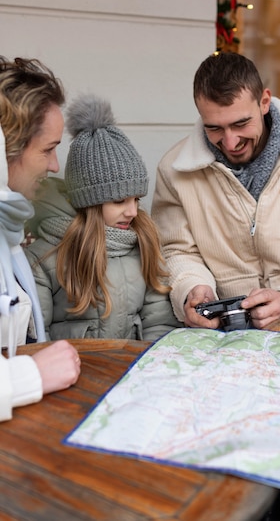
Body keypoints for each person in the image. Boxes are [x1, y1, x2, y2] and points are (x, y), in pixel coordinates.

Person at [151, 52, 280, 520]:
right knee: (239, 474)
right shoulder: (174, 170)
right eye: (213, 128)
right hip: (224, 343)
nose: (228, 141)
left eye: (240, 123)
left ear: (265, 100)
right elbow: (175, 252)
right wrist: (191, 289)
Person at [25, 95, 182, 342]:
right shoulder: (45, 259)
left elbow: (158, 322)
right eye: (119, 201)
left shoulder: (142, 245)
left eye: (136, 200)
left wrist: (153, 365)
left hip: (133, 372)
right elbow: (36, 335)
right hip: (71, 374)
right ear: (89, 202)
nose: (132, 211)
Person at [0, 56, 80, 423]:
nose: (54, 166)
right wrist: (29, 377)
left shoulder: (9, 228)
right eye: (47, 149)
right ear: (7, 150)